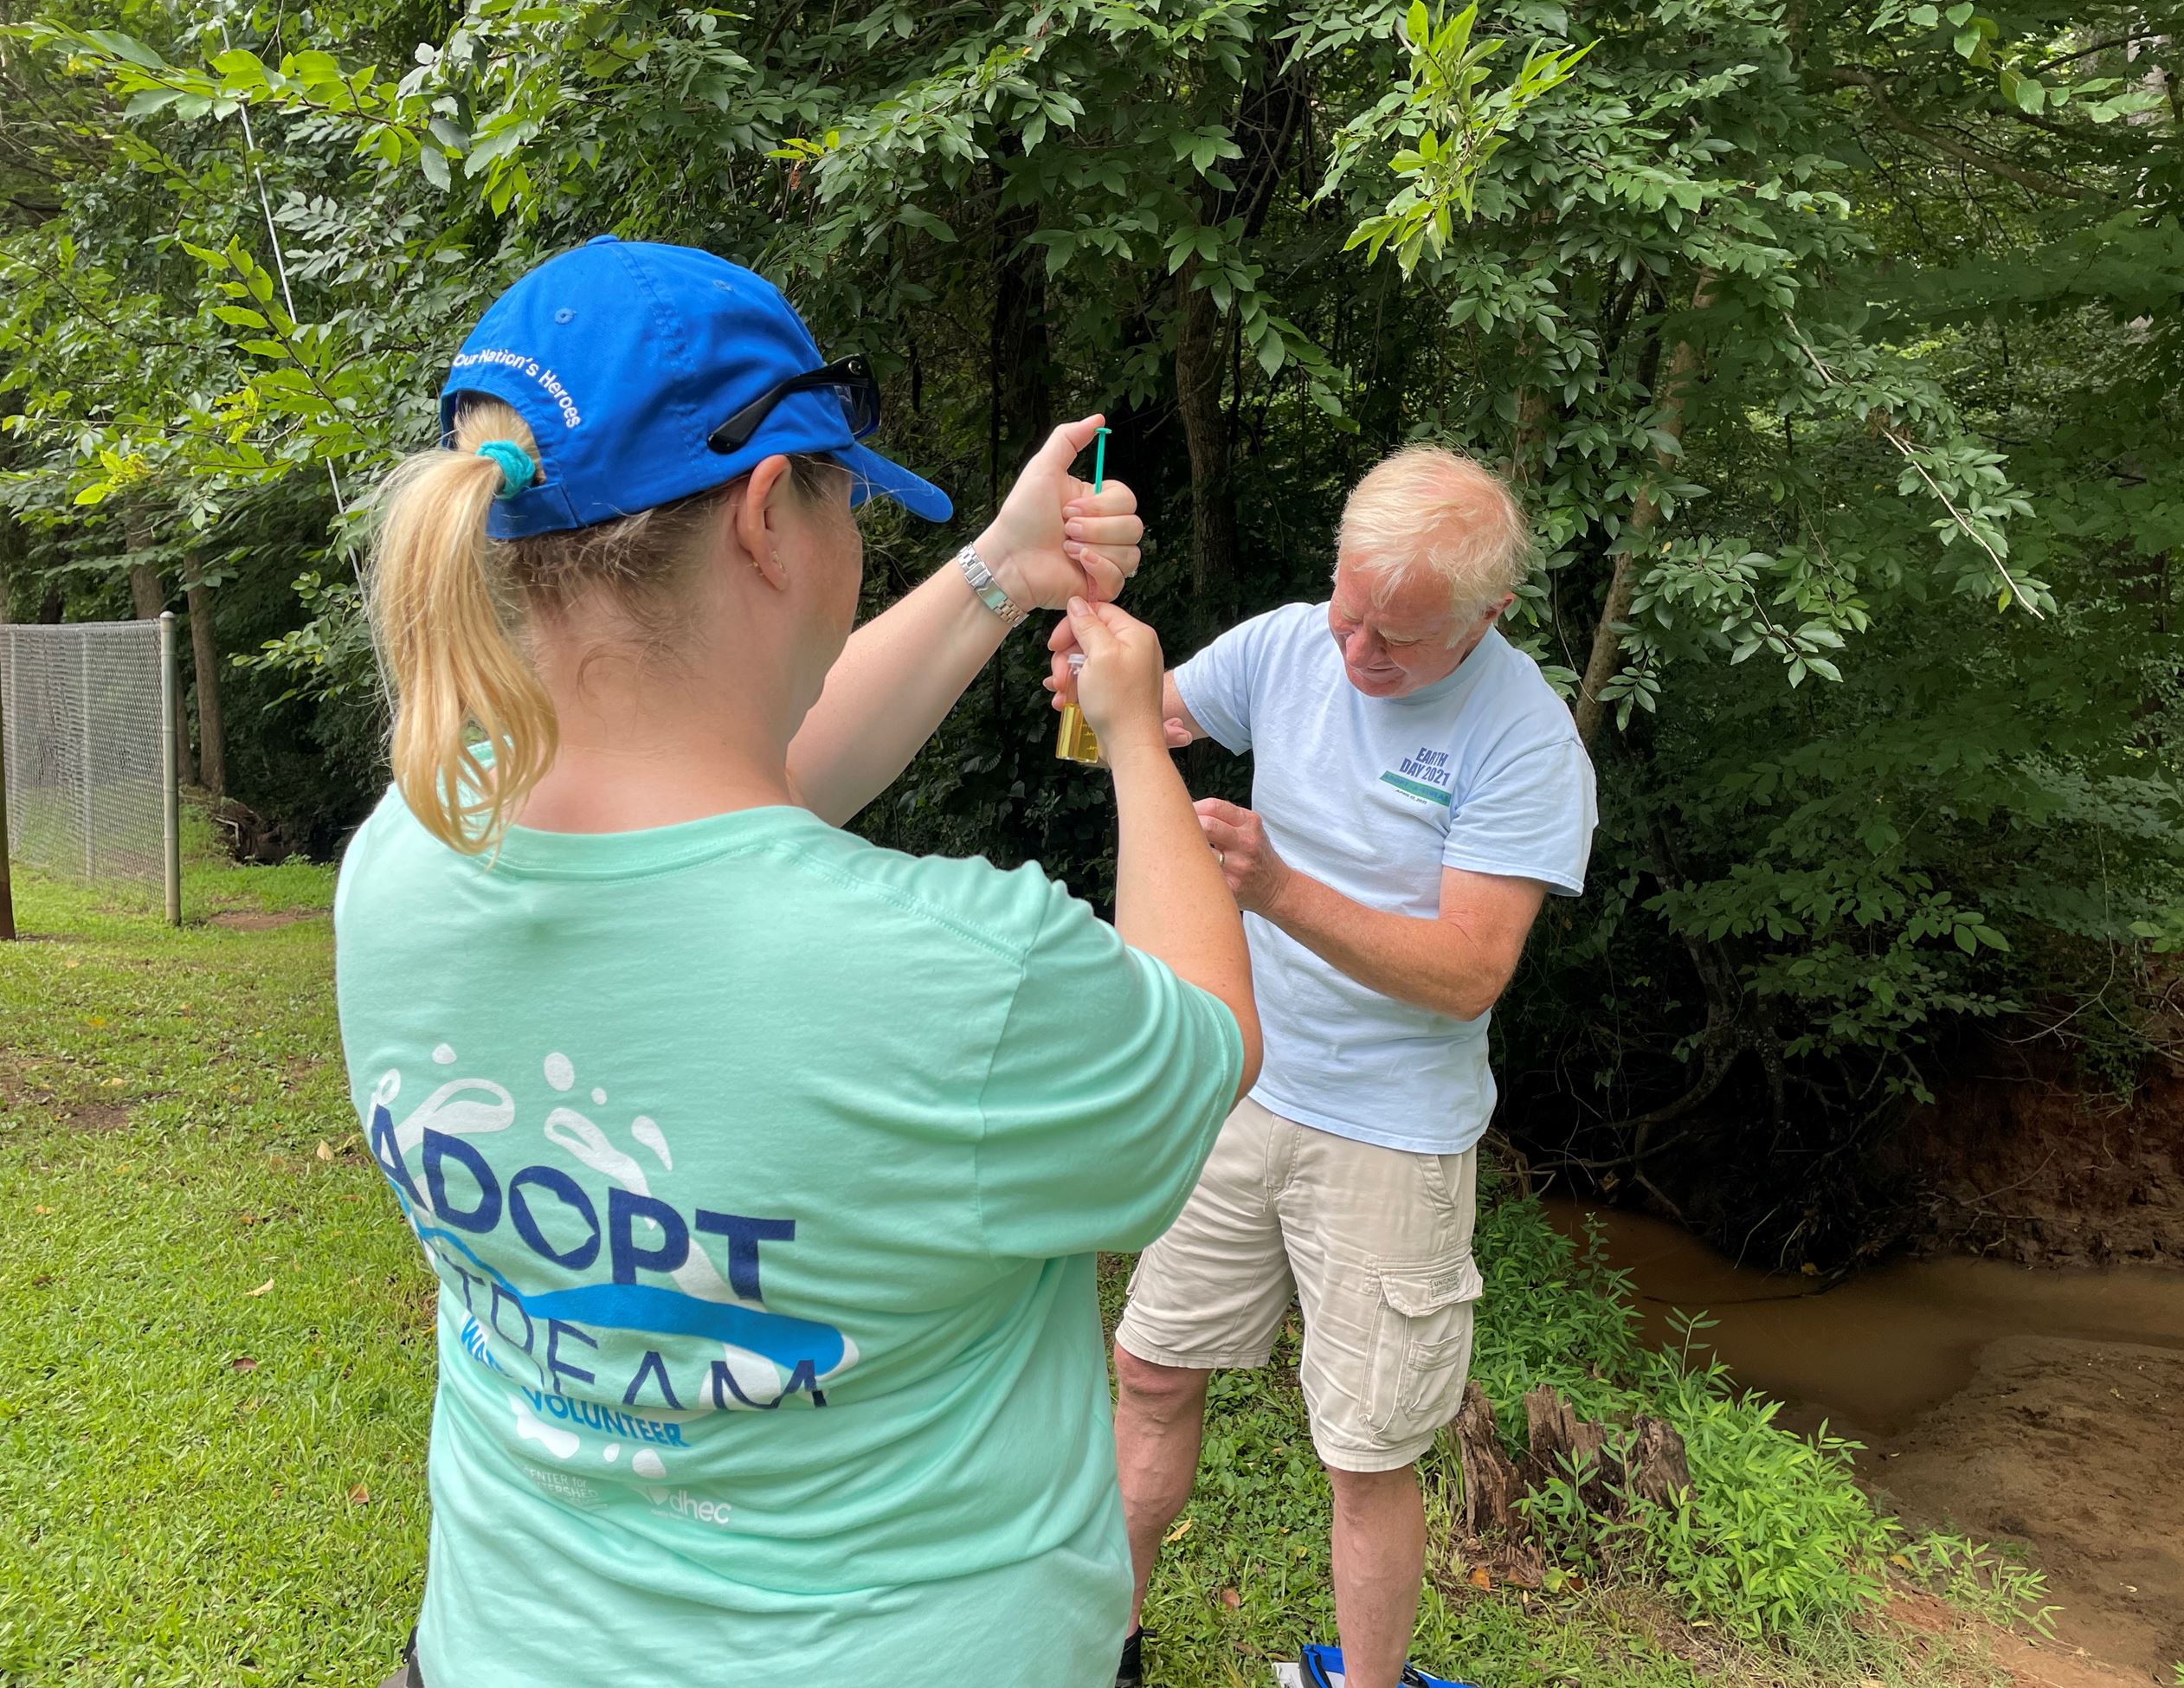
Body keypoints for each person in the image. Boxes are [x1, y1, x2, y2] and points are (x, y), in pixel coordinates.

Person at [336, 236, 1260, 1688]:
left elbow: (732, 805)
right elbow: (1206, 1036)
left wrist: (999, 577)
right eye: (845, 505)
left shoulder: (404, 851)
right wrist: (1138, 735)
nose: (853, 549)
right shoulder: (965, 978)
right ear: (771, 514)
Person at [1054, 447, 1597, 1688]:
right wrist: (1093, 692)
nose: (1357, 655)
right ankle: (1106, 1645)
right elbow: (1143, 723)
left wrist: (1279, 888)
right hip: (1240, 1090)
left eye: (1396, 641)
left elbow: (1471, 968)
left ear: (1486, 616)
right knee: (1147, 1368)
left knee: (1367, 1448)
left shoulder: (1526, 740)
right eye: (1351, 611)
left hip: (1393, 1133)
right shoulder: (1297, 641)